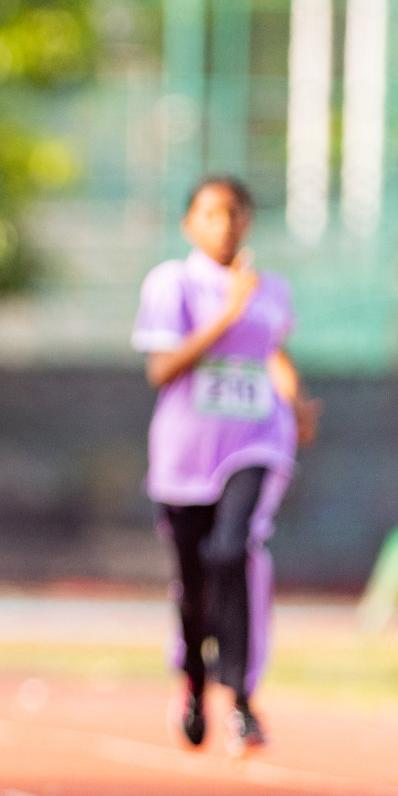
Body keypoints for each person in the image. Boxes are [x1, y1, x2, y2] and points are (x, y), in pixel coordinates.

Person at [132, 176, 320, 756]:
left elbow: (272, 353)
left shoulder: (270, 289)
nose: (224, 224)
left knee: (233, 551)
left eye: (235, 213)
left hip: (256, 443)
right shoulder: (173, 283)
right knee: (194, 579)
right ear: (189, 224)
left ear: (249, 221)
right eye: (210, 214)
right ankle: (192, 681)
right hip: (186, 454)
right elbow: (162, 369)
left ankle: (240, 696)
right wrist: (227, 313)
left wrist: (296, 399)